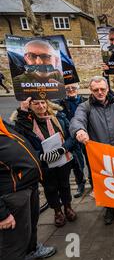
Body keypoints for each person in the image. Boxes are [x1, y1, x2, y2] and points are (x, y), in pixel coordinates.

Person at [69, 76, 114, 225]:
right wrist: (79, 130)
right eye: (96, 90)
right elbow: (77, 120)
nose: (100, 92)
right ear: (91, 90)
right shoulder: (85, 106)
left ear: (107, 89)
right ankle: (109, 208)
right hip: (100, 154)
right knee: (105, 183)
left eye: (102, 89)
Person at [13, 98, 77, 228]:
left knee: (65, 185)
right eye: (36, 103)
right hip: (44, 164)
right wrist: (40, 156)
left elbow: (72, 136)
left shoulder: (59, 117)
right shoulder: (26, 123)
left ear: (47, 103)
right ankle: (57, 211)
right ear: (30, 106)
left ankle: (68, 207)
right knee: (50, 188)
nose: (40, 106)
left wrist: (63, 149)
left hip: (62, 159)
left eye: (43, 102)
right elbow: (22, 143)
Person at [0, 116, 55, 260]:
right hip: (12, 193)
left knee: (30, 225)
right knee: (14, 242)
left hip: (28, 186)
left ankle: (31, 250)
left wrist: (24, 112)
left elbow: (21, 131)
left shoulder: (2, 125)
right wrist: (2, 215)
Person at [56, 83, 88, 198]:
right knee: (77, 163)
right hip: (71, 136)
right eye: (67, 88)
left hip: (85, 135)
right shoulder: (61, 103)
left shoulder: (85, 101)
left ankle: (94, 183)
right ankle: (80, 183)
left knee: (90, 160)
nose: (70, 90)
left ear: (78, 89)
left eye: (73, 88)